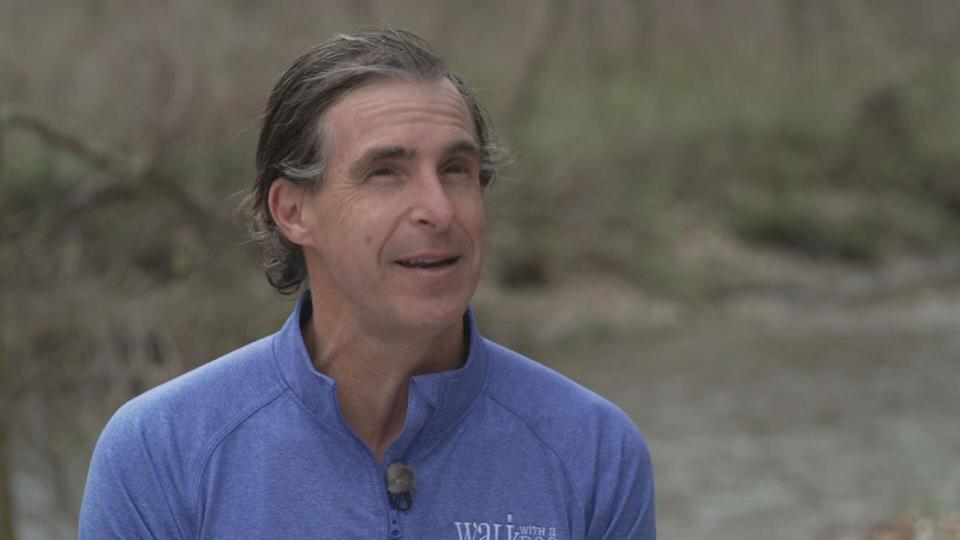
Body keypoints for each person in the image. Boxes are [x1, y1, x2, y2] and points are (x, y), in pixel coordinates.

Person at [79, 28, 655, 539]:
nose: (438, 209)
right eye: (385, 173)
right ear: (293, 211)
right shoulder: (162, 453)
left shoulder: (592, 452)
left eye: (456, 170)